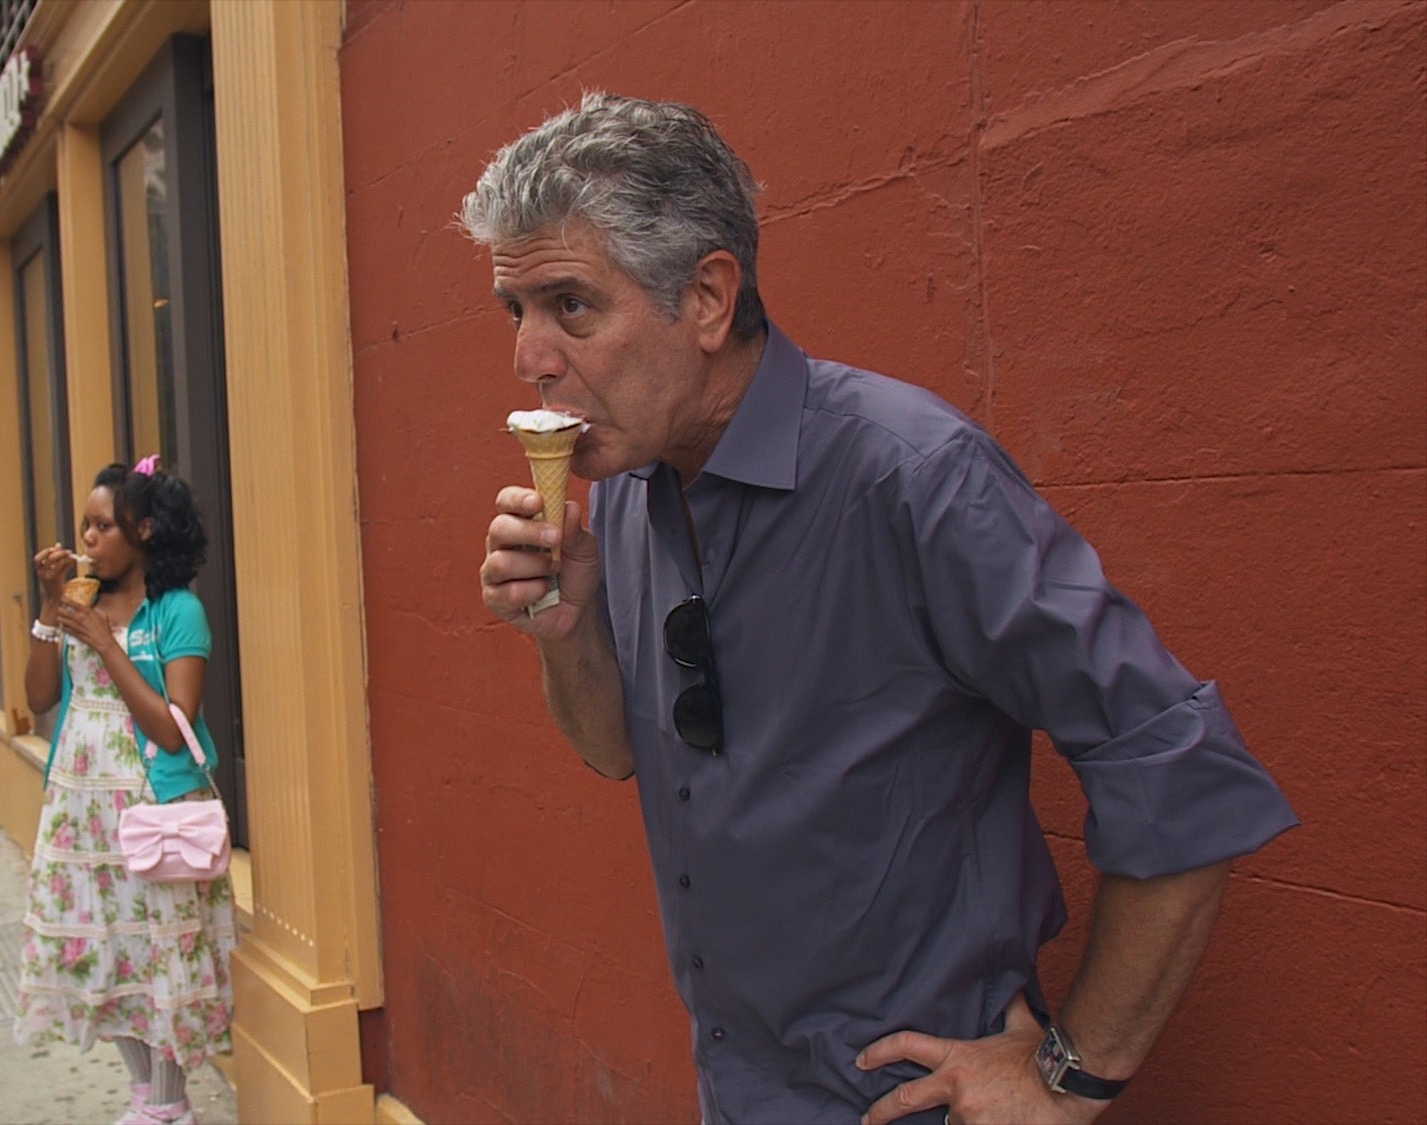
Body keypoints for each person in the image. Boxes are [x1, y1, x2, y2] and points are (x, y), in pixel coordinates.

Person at [469, 93, 1298, 1125]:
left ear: (708, 298)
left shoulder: (913, 478)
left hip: (909, 1102)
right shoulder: (630, 494)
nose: (528, 359)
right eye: (517, 313)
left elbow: (1178, 768)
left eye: (569, 306)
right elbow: (614, 751)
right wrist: (564, 632)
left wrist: (1069, 1078)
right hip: (734, 1082)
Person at [13, 459, 235, 1125]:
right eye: (85, 524)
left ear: (144, 528)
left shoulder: (178, 610)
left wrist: (108, 644)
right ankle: (147, 1098)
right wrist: (52, 606)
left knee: (158, 953)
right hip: (82, 816)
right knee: (106, 954)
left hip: (152, 809)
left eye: (103, 525)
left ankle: (169, 1104)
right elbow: (38, 696)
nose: (87, 537)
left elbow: (174, 729)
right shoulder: (81, 602)